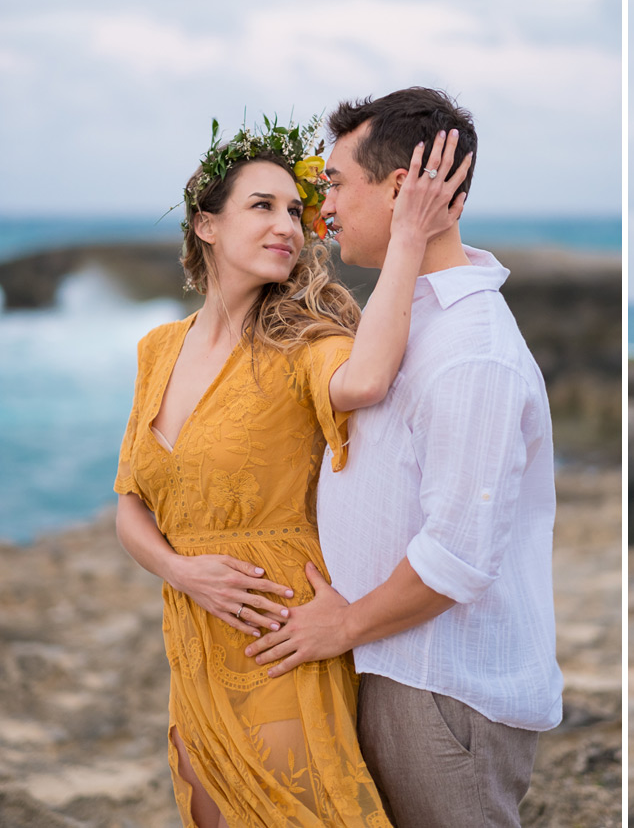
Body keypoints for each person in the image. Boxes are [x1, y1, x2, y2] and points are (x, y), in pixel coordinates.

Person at [114, 115, 470, 826]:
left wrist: (406, 238)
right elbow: (130, 503)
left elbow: (366, 380)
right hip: (193, 628)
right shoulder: (158, 348)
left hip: (280, 629)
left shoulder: (308, 341)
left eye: (296, 210)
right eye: (262, 206)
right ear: (206, 224)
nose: (289, 225)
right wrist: (181, 570)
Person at [241, 88, 563, 828]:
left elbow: (455, 556)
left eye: (336, 183)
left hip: (439, 689)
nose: (324, 207)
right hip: (391, 664)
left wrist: (341, 626)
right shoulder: (405, 316)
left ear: (401, 188)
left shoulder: (471, 352)